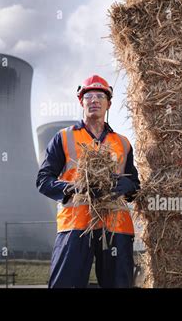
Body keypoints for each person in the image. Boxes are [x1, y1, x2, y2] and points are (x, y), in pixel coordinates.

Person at [36, 74, 140, 288]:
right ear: (81, 102)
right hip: (75, 226)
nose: (94, 100)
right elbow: (43, 181)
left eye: (100, 96)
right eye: (89, 96)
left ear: (109, 103)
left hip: (116, 228)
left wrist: (129, 187)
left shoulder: (123, 143)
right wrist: (72, 187)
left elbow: (135, 186)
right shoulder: (63, 137)